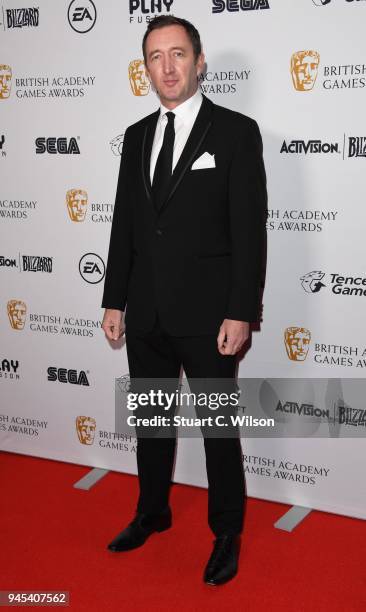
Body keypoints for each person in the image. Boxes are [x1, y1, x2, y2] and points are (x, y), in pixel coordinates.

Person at [101, 15, 267, 586]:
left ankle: (226, 532)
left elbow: (250, 231)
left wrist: (242, 309)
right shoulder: (135, 135)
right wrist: (113, 298)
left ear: (199, 62)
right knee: (151, 422)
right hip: (144, 311)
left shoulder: (236, 132)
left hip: (209, 316)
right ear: (144, 67)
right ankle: (152, 512)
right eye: (155, 56)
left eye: (177, 54)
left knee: (220, 431)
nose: (166, 67)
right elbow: (125, 223)